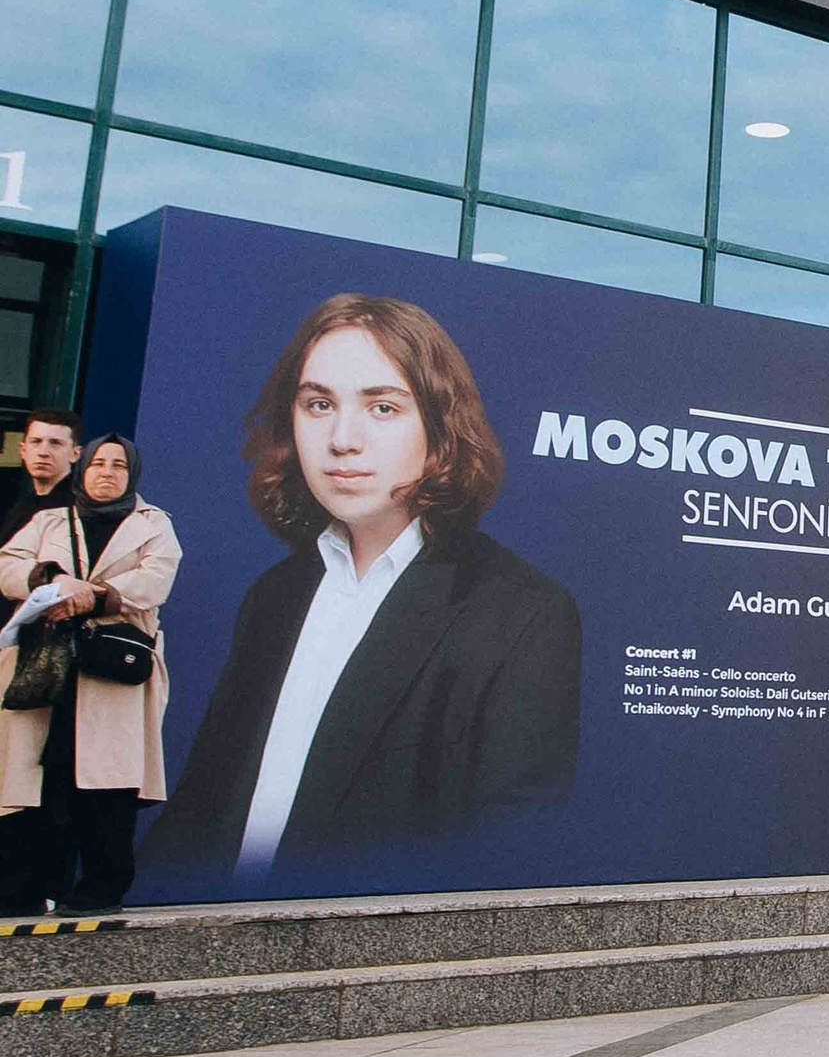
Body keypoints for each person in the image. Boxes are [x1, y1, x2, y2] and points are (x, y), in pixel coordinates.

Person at [152, 294, 581, 891]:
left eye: (382, 407)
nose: (342, 439)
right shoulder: (276, 594)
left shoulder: (521, 612)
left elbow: (510, 847)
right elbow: (204, 805)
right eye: (319, 404)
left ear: (440, 430)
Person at [0, 432, 182, 914]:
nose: (107, 472)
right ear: (83, 470)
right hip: (47, 665)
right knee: (38, 778)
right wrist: (52, 581)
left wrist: (96, 596)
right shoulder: (49, 520)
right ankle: (25, 887)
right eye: (99, 463)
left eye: (118, 466)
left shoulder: (154, 524)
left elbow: (156, 578)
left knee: (106, 782)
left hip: (109, 670)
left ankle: (101, 887)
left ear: (132, 475)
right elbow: (8, 564)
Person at [0, 406, 81, 551]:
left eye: (55, 443)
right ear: (23, 450)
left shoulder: (81, 508)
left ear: (75, 454)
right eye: (36, 441)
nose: (43, 452)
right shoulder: (19, 508)